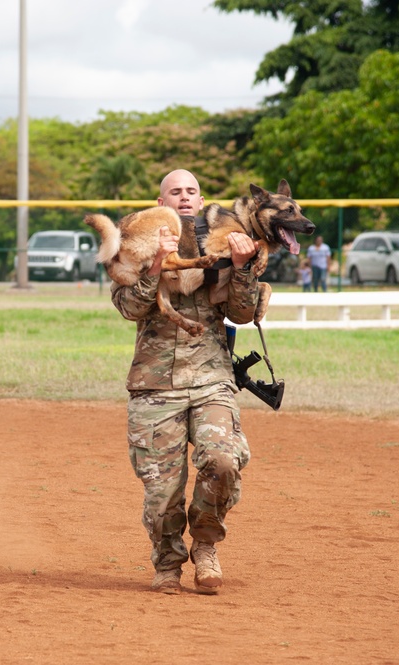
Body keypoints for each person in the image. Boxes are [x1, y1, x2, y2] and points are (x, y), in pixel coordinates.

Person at [108, 168, 260, 595]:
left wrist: (243, 267)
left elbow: (243, 314)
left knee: (224, 461)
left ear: (201, 198)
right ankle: (168, 564)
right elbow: (129, 307)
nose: (185, 197)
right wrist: (158, 262)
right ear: (162, 204)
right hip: (154, 387)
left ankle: (206, 546)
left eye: (192, 191)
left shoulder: (223, 241)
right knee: (162, 492)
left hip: (211, 378)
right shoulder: (134, 244)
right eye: (175, 192)